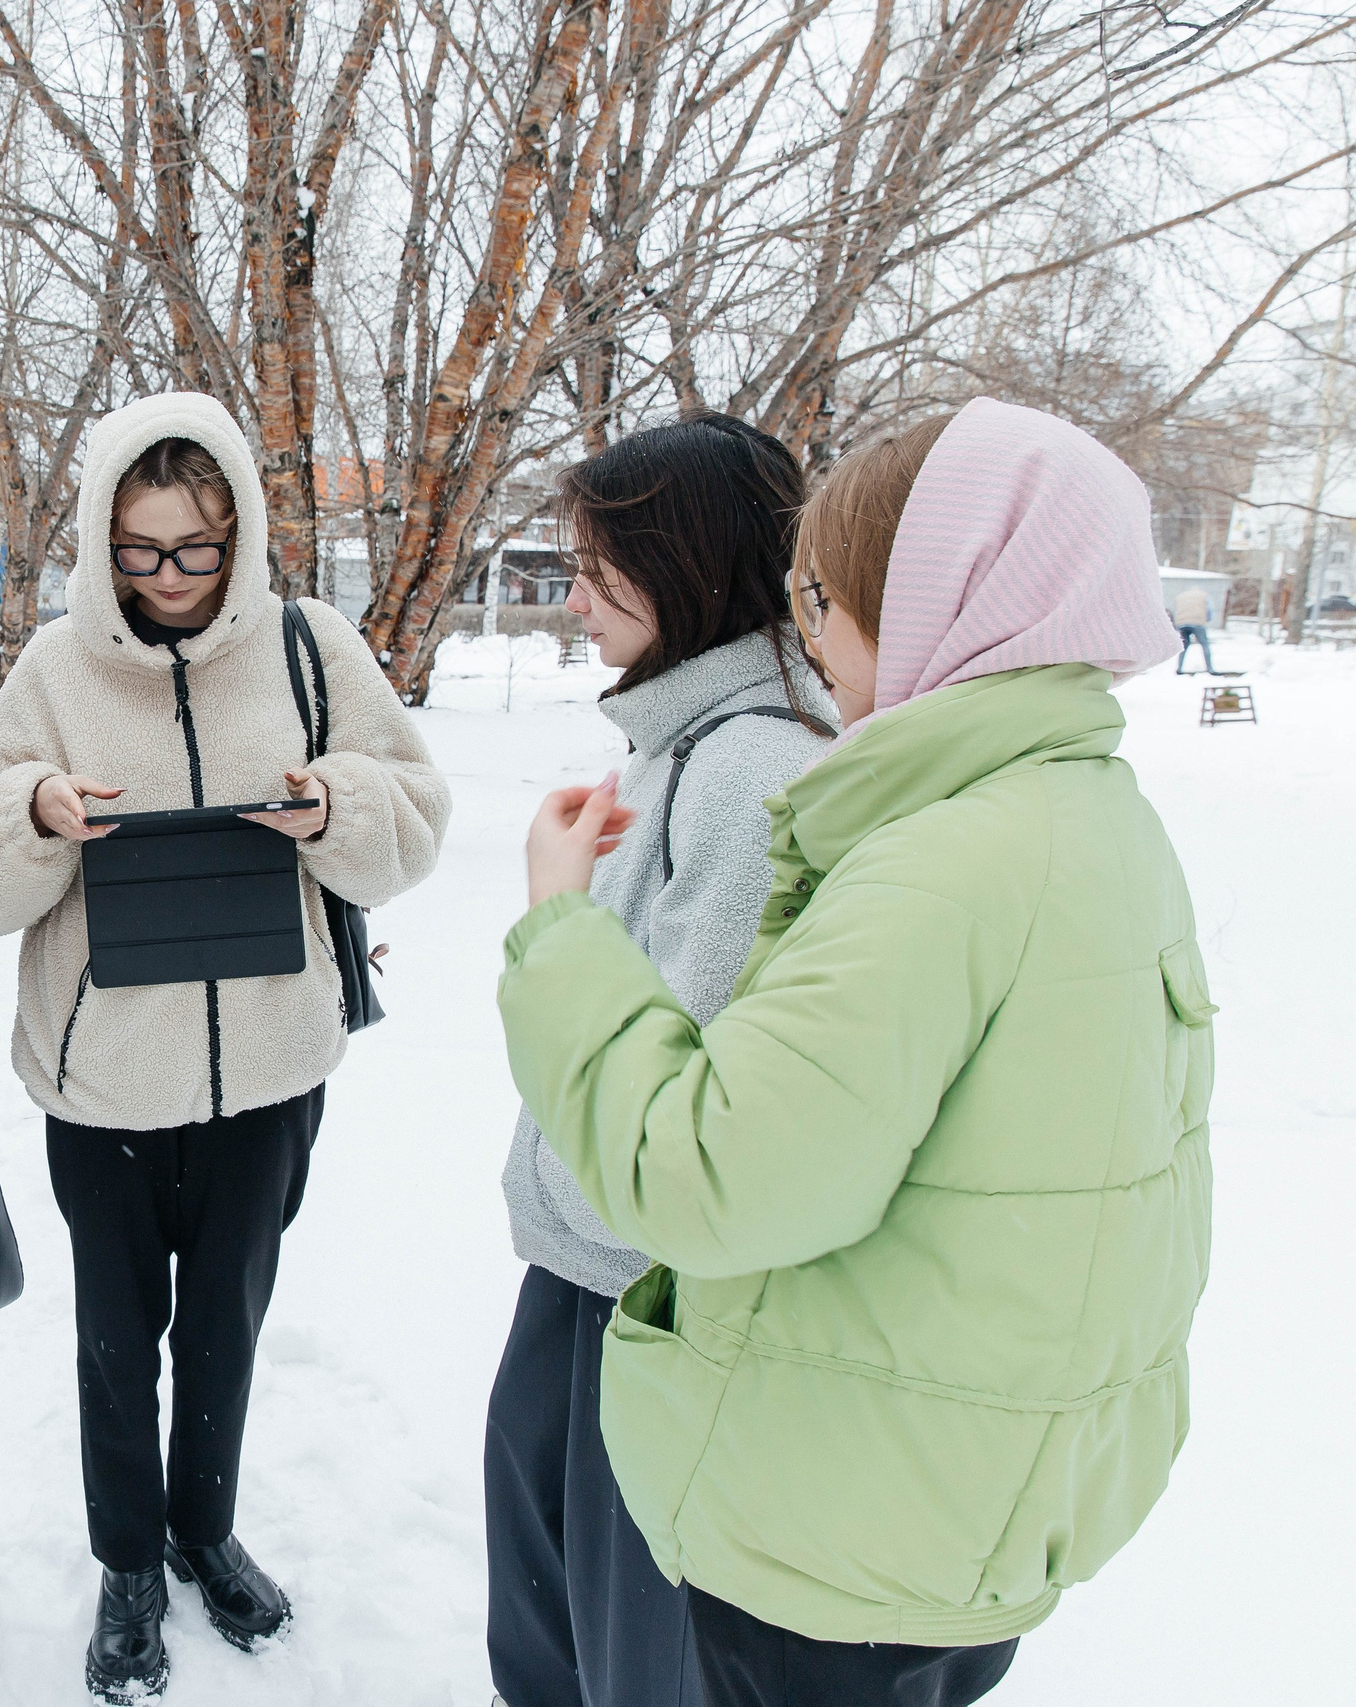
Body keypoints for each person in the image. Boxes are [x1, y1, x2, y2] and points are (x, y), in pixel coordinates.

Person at [499, 398, 1213, 1707]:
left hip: (839, 1516)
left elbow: (710, 1170)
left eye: (827, 598)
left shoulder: (938, 857)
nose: (807, 634)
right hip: (938, 1486)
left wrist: (556, 925)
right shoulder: (1090, 815)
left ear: (943, 597)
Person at [0, 392, 451, 1701]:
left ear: (243, 536)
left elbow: (416, 816)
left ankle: (204, 1527)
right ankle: (126, 1565)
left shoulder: (309, 647)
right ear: (104, 543)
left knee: (225, 1323)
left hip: (269, 1071)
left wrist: (333, 800)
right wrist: (36, 811)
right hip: (102, 1080)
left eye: (197, 551)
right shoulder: (53, 669)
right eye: (141, 553)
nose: (168, 581)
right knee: (120, 1337)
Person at [487, 415, 835, 1707]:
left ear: (684, 565)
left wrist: (554, 912)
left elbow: (686, 1114)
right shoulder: (684, 746)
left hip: (638, 1305)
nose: (572, 596)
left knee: (618, 1657)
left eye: (598, 565)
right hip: (585, 1276)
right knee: (559, 1643)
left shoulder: (753, 768)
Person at [1172, 585, 1215, 673]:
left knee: (1183, 646)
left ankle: (1179, 668)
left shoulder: (1181, 596)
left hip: (1182, 623)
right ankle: (1209, 668)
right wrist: (1207, 619)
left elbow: (1175, 609)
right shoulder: (1204, 596)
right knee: (1204, 645)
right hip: (1198, 623)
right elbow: (1209, 610)